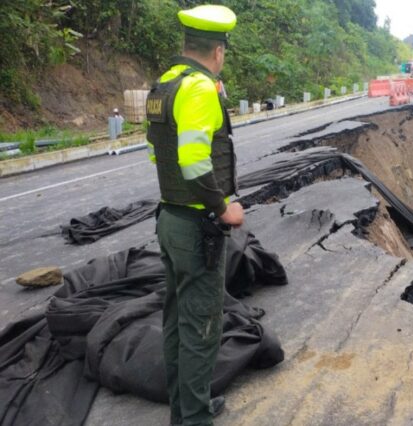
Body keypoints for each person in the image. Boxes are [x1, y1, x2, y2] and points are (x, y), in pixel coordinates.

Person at [144, 5, 242, 426]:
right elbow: (194, 162)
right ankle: (195, 419)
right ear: (218, 51)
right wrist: (224, 209)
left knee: (176, 319)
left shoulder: (164, 85)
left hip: (169, 217)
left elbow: (157, 154)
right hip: (197, 225)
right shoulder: (200, 88)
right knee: (202, 326)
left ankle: (186, 407)